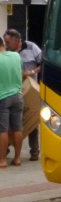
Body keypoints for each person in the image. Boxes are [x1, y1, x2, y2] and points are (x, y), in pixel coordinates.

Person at [3, 29, 42, 161]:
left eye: (8, 42)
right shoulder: (9, 53)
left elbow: (43, 63)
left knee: (32, 121)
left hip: (30, 89)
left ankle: (34, 151)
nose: (6, 45)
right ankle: (6, 150)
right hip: (17, 89)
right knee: (13, 124)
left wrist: (32, 72)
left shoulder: (31, 47)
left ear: (16, 41)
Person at [0, 36, 24, 168]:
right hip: (18, 96)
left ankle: (2, 160)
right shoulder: (16, 56)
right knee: (17, 128)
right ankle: (17, 158)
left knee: (2, 130)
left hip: (2, 97)